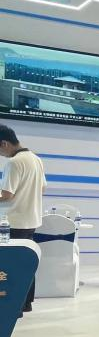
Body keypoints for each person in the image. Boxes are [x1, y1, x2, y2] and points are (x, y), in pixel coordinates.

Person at [0, 124, 46, 315]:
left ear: (4, 143)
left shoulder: (14, 162)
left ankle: (13, 307)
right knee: (26, 263)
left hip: (13, 222)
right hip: (31, 220)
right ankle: (26, 303)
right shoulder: (35, 159)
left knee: (9, 265)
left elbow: (7, 195)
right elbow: (42, 188)